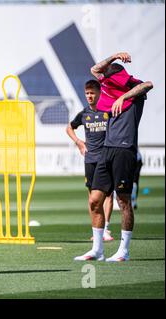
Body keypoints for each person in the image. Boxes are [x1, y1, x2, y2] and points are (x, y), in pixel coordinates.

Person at [74, 52, 153, 262]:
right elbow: (95, 69)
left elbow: (149, 84)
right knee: (94, 200)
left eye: (113, 73)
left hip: (125, 149)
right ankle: (97, 250)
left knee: (123, 201)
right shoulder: (107, 90)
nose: (108, 75)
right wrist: (114, 56)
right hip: (106, 150)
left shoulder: (134, 93)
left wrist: (124, 97)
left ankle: (123, 251)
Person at [66, 80, 114, 241]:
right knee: (92, 197)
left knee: (107, 194)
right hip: (90, 159)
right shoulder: (84, 114)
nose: (89, 96)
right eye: (87, 93)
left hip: (106, 158)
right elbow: (69, 127)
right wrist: (79, 143)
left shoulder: (107, 111)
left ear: (99, 93)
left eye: (92, 93)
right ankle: (96, 231)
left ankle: (106, 229)